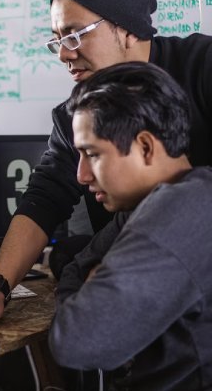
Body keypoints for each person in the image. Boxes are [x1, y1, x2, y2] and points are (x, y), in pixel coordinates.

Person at [0, 0, 212, 328]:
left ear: (126, 29)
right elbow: (46, 196)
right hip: (129, 294)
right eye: (57, 40)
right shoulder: (74, 116)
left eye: (75, 35)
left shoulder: (203, 66)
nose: (63, 53)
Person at [48, 61, 212, 390]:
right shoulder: (149, 204)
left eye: (92, 154)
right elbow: (75, 268)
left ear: (145, 147)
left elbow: (74, 341)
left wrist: (91, 294)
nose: (81, 175)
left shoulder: (178, 214)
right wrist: (91, 289)